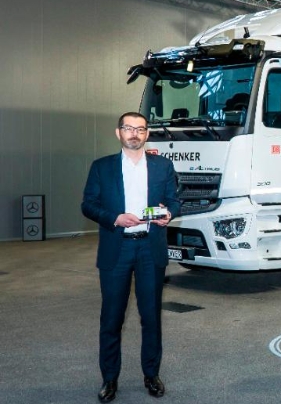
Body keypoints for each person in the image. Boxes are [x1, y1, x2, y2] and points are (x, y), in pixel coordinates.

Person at [82, 112, 180, 403]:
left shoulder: (162, 166)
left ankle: (151, 375)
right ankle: (109, 380)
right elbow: (88, 205)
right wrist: (115, 217)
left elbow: (174, 200)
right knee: (111, 319)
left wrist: (170, 213)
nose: (134, 134)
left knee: (151, 318)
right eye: (128, 128)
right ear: (118, 133)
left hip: (151, 249)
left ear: (147, 134)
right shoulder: (102, 167)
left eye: (140, 129)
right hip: (118, 249)